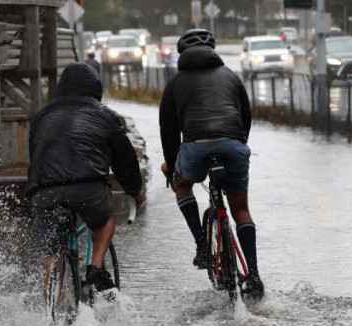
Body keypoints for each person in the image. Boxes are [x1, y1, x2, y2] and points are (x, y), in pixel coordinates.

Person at [158, 29, 264, 298]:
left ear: (182, 53)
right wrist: (238, 144)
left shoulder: (175, 83)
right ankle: (253, 275)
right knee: (240, 208)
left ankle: (202, 247)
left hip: (194, 146)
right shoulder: (231, 75)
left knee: (183, 185)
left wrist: (171, 166)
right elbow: (246, 116)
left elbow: (168, 131)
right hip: (233, 144)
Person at [27, 62, 145, 295]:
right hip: (88, 188)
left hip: (44, 190)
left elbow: (36, 156)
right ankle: (96, 266)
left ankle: (53, 321)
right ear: (96, 88)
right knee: (104, 219)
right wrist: (135, 190)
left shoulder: (41, 117)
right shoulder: (106, 115)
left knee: (53, 255)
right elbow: (125, 160)